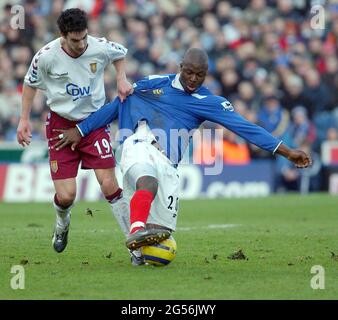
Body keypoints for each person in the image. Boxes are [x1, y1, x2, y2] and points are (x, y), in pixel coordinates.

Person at [50, 48, 312, 264]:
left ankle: (141, 242)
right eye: (189, 72)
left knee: (163, 234)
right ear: (180, 66)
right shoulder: (152, 84)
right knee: (147, 181)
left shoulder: (209, 102)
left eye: (199, 75)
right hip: (138, 143)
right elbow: (115, 106)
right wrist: (81, 129)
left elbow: (246, 128)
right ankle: (136, 230)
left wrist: (287, 152)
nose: (193, 79)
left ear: (206, 75)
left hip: (169, 164)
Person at [16, 8, 133, 254]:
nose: (81, 45)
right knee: (67, 196)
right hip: (61, 126)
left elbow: (119, 53)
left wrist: (121, 77)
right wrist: (24, 119)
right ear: (63, 35)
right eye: (75, 40)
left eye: (83, 38)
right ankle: (62, 224)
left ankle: (136, 244)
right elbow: (29, 84)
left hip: (94, 124)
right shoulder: (46, 56)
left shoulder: (98, 46)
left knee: (110, 184)